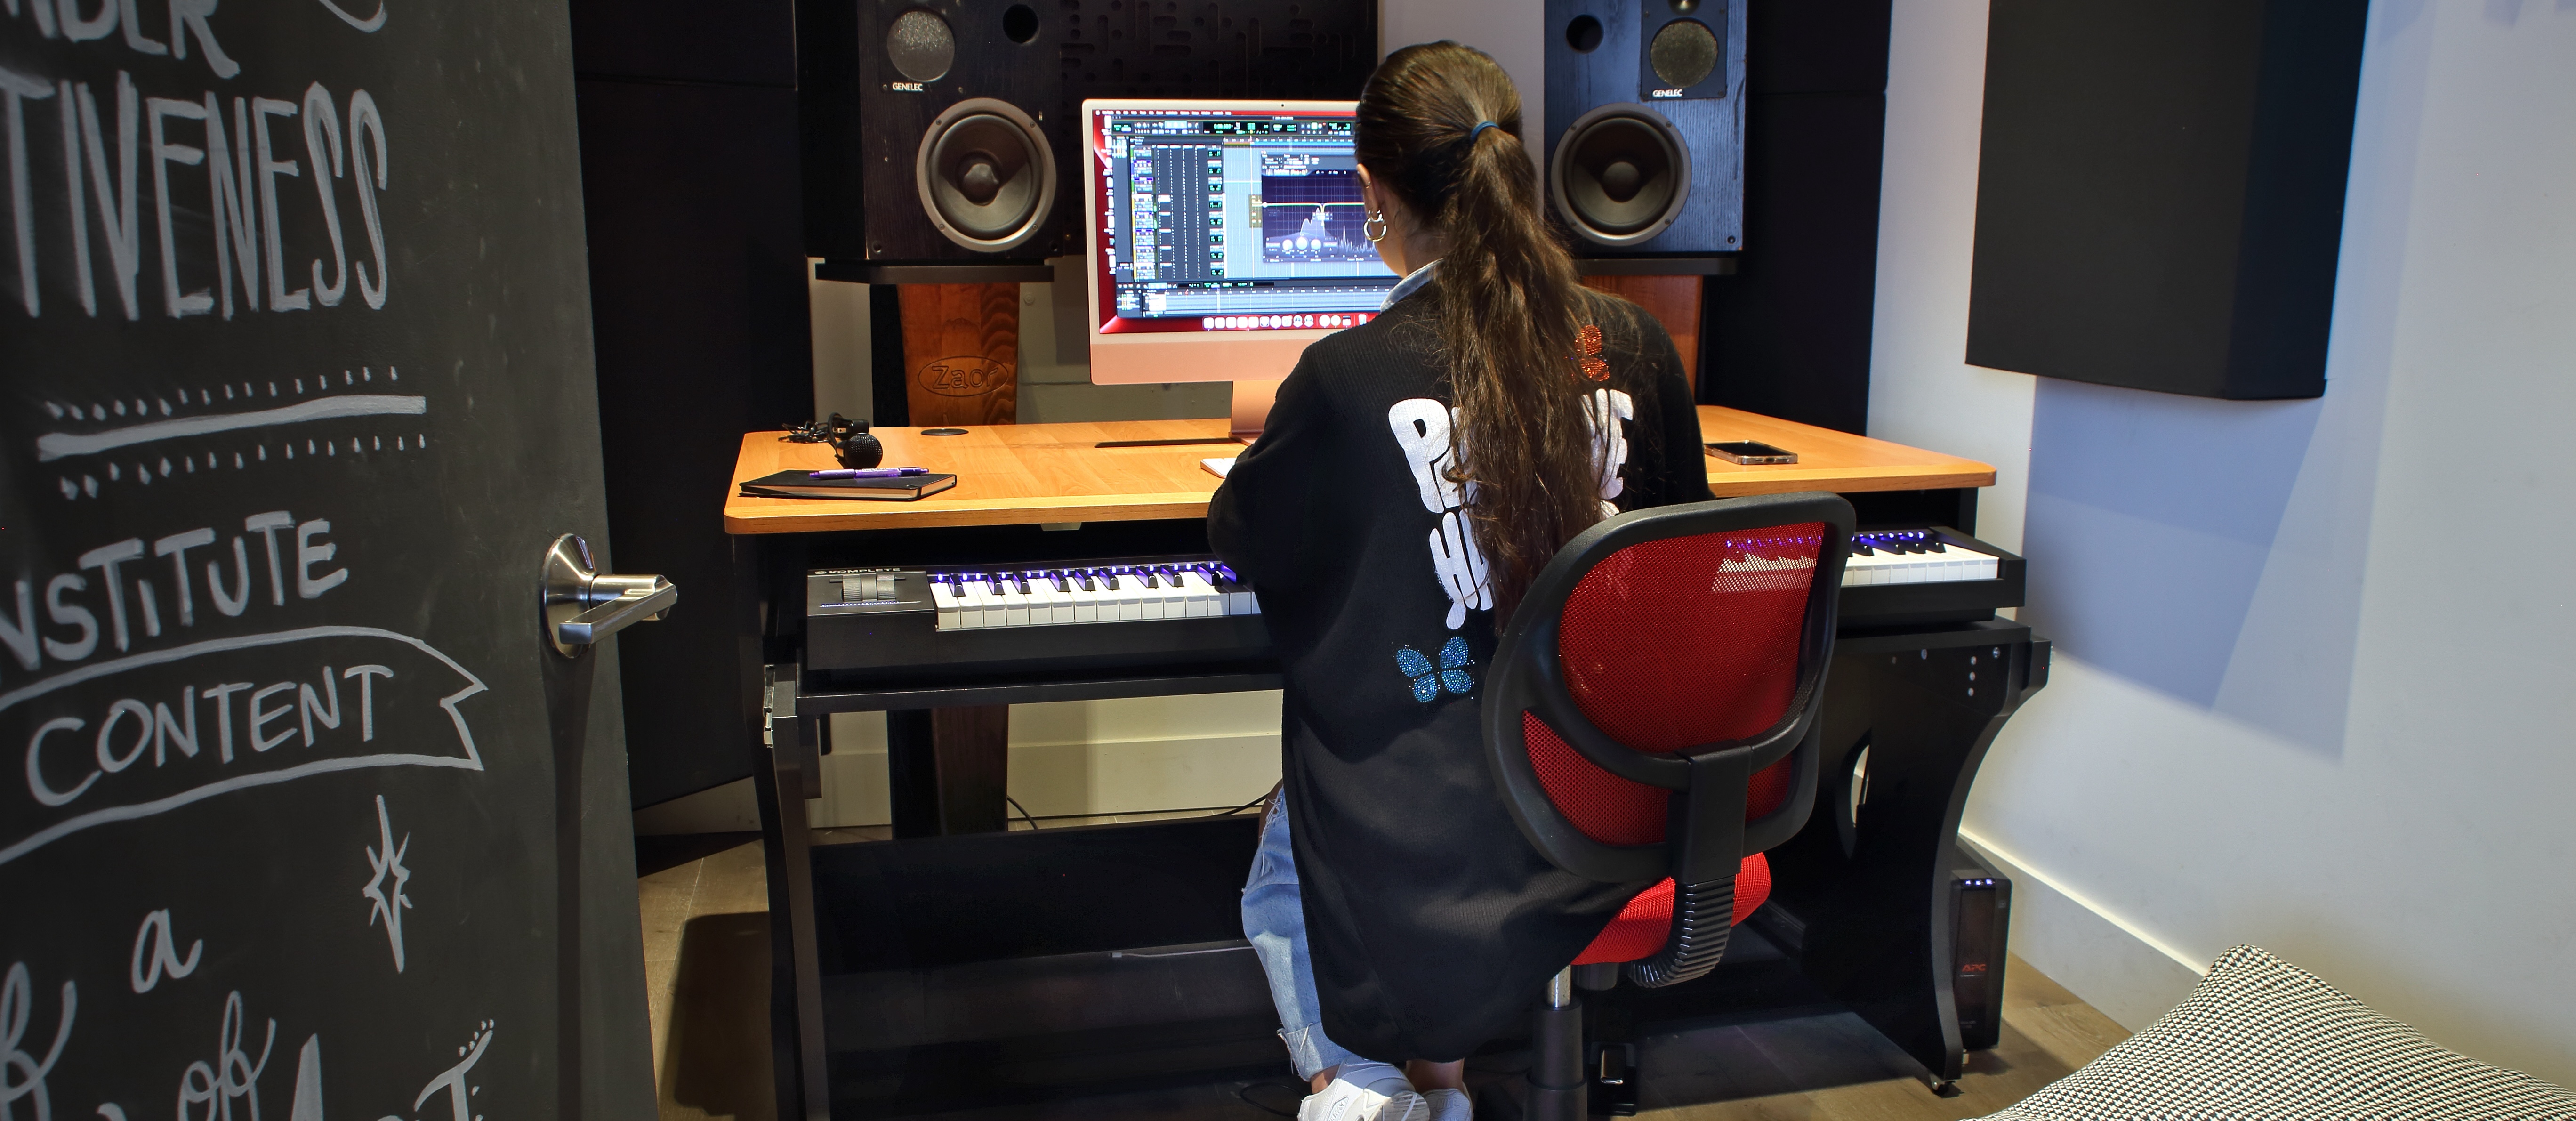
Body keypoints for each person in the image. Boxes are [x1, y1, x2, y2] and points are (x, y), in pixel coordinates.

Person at [1208, 40, 1716, 1121]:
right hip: (1618, 799)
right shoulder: (1637, 344)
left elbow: (1250, 539)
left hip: (1441, 845)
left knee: (1285, 852)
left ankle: (1368, 1083)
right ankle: (1425, 1080)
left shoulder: (1347, 377)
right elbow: (1685, 568)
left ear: (1372, 195)